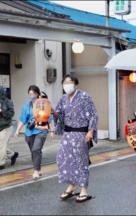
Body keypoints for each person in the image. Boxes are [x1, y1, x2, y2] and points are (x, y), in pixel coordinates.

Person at [51, 74, 98, 203]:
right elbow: (59, 115)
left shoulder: (84, 96)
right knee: (63, 158)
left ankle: (84, 189)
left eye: (70, 82)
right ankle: (72, 184)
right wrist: (53, 113)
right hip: (68, 134)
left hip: (81, 134)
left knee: (81, 161)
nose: (67, 85)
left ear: (76, 84)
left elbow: (94, 114)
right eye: (65, 82)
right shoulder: (63, 99)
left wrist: (90, 131)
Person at [14, 85, 54, 179]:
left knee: (36, 149)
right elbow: (22, 119)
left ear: (38, 94)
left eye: (34, 94)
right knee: (34, 151)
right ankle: (38, 168)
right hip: (29, 132)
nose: (32, 96)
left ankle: (36, 171)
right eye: (30, 94)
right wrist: (17, 131)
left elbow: (49, 119)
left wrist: (52, 131)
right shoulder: (26, 106)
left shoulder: (44, 105)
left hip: (41, 130)